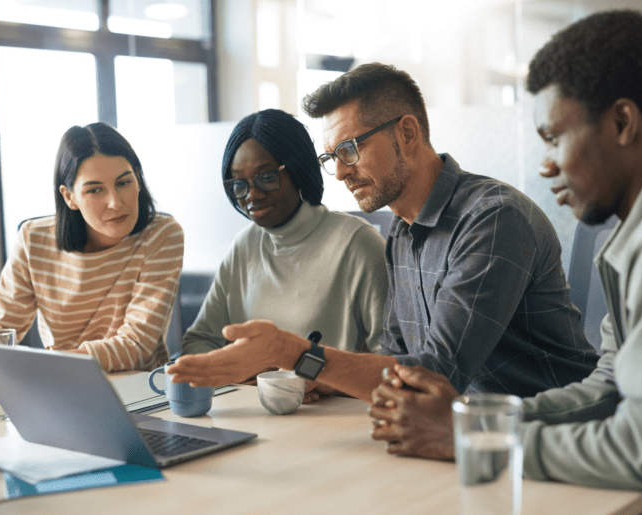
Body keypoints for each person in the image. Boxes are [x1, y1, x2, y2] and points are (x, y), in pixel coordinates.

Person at [368, 10, 642, 514]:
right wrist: (473, 420)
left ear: (622, 123)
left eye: (554, 137)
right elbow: (610, 386)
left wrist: (465, 439)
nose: (546, 164)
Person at [167, 64, 597, 403]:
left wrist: (292, 353)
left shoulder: (491, 219)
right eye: (331, 156)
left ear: (407, 133)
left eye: (350, 150)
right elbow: (393, 361)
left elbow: (435, 374)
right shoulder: (403, 233)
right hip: (460, 436)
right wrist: (319, 379)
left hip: (556, 442)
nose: (338, 173)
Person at [179, 109, 388, 399]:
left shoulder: (358, 244)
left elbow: (394, 365)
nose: (251, 194)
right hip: (258, 417)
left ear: (298, 169)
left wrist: (320, 380)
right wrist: (249, 376)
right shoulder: (244, 246)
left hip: (336, 421)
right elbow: (200, 342)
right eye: (239, 184)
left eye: (265, 178)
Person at [0, 122, 183, 387]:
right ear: (69, 197)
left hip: (141, 390)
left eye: (124, 182)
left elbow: (137, 344)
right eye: (95, 189)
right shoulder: (33, 240)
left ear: (138, 179)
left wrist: (58, 362)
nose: (116, 201)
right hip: (63, 389)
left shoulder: (162, 235)